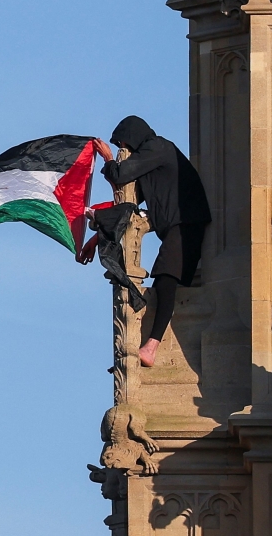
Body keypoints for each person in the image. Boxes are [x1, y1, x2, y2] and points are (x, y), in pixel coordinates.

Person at [81, 116, 211, 367]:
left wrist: (108, 157)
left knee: (165, 280)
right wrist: (96, 238)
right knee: (165, 280)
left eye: (124, 143)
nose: (123, 150)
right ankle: (151, 345)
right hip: (178, 225)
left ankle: (151, 347)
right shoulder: (151, 162)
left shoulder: (157, 146)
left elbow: (120, 174)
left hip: (187, 224)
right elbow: (128, 208)